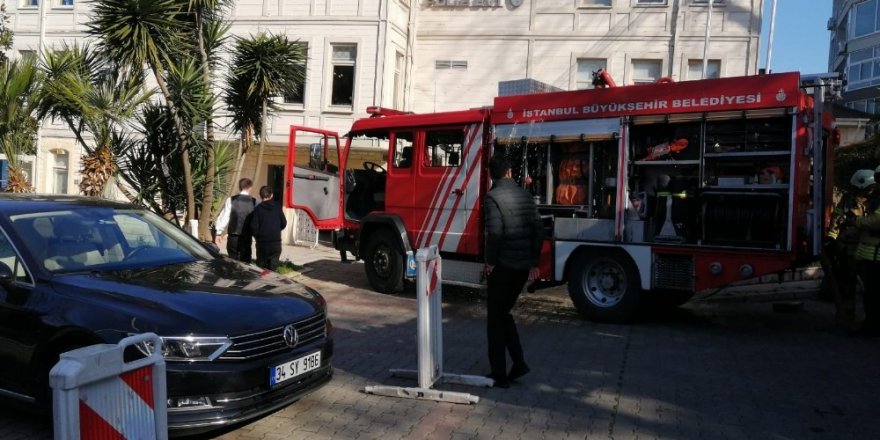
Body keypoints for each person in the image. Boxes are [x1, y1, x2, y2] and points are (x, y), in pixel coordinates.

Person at [483, 155, 543, 388]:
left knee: (495, 320)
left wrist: (490, 262)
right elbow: (538, 230)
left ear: (492, 175)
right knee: (504, 313)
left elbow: (495, 234)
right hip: (521, 269)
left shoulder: (492, 197)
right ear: (508, 172)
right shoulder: (526, 196)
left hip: (503, 267)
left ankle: (499, 374)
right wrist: (534, 262)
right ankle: (519, 364)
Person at [825, 169, 876, 331]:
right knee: (847, 287)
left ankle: (871, 320)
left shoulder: (876, 202)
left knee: (871, 289)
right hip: (847, 252)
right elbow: (836, 221)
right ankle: (847, 318)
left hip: (866, 252)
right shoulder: (847, 201)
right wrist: (832, 239)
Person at [850, 165, 880, 336]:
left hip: (876, 258)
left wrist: (858, 222)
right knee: (871, 294)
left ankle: (872, 327)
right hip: (871, 257)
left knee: (874, 296)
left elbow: (876, 221)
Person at [214, 178, 256, 263]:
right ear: (250, 187)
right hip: (247, 236)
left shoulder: (231, 200)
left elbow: (224, 217)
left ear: (239, 187)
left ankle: (232, 275)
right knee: (246, 259)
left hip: (233, 235)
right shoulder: (255, 201)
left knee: (232, 259)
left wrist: (218, 232)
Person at [250, 186, 287, 271]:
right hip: (275, 242)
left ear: (260, 196)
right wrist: (276, 229)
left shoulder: (258, 209)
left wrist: (258, 236)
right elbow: (284, 223)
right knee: (273, 269)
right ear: (272, 195)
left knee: (261, 269)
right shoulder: (277, 206)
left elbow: (254, 227)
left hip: (262, 243)